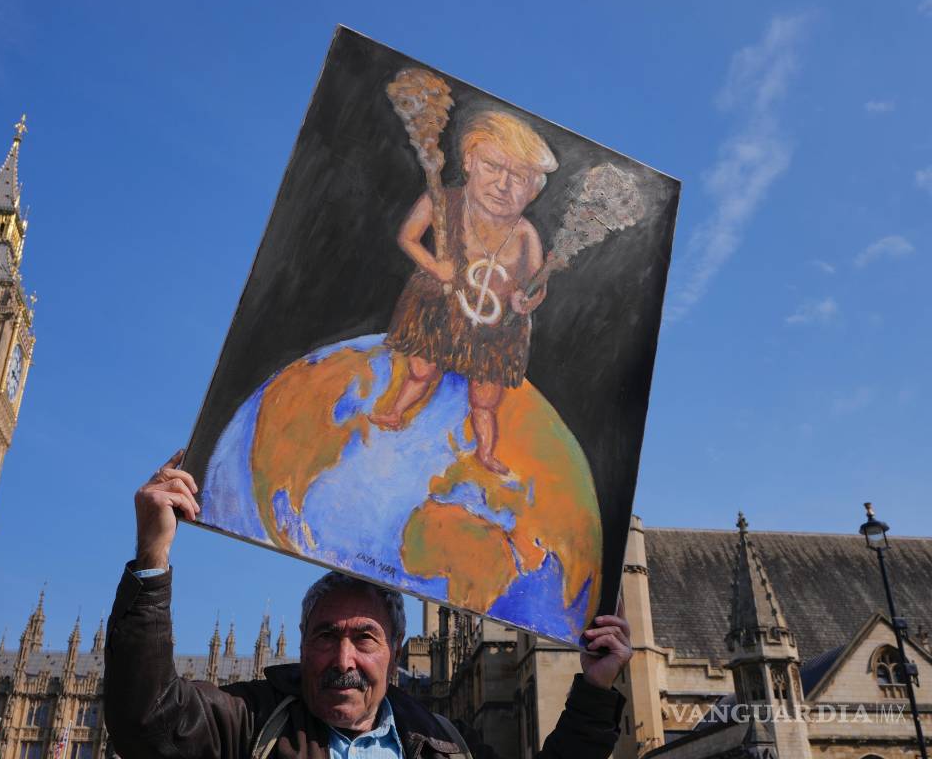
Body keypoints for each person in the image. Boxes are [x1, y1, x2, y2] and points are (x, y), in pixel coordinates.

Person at [105, 452, 632, 758]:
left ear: (396, 651)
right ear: (302, 642)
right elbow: (148, 720)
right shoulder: (250, 724)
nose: (344, 660)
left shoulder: (442, 743)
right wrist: (153, 553)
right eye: (327, 636)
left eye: (364, 638)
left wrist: (595, 688)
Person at [369, 111, 565, 476]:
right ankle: (395, 412)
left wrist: (525, 302)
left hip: (495, 330)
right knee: (421, 369)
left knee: (485, 399)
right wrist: (434, 266)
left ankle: (486, 453)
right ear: (471, 161)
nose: (503, 185)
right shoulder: (442, 202)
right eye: (493, 166)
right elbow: (407, 238)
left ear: (534, 190)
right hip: (441, 312)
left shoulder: (525, 234)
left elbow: (535, 287)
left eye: (519, 177)